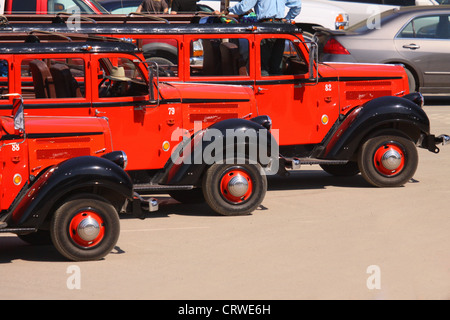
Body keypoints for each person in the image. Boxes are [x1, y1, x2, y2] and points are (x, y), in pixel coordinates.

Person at [225, 0, 301, 23]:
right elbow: (297, 6)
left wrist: (229, 9)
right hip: (280, 24)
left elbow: (243, 7)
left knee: (263, 58)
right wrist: (286, 19)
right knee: (277, 58)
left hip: (266, 25)